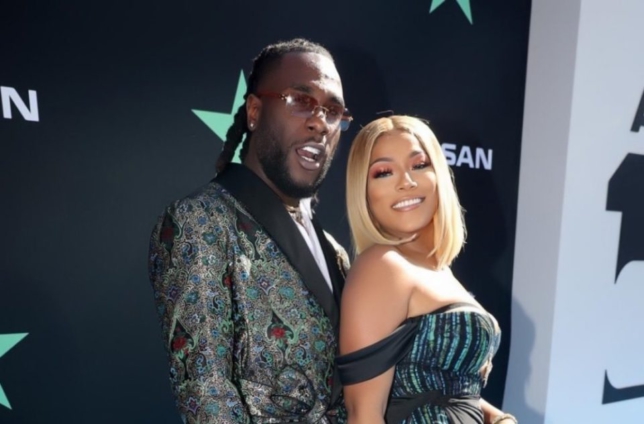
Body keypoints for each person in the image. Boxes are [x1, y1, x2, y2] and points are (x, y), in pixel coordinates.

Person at [148, 38, 353, 423]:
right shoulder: (200, 220)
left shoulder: (336, 253)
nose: (319, 122)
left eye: (333, 110)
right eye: (300, 100)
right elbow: (206, 393)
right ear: (255, 111)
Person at [336, 116, 517, 424]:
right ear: (363, 192)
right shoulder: (382, 266)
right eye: (384, 172)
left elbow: (446, 391)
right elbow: (363, 413)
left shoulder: (441, 271)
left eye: (419, 165)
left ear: (439, 176)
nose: (406, 181)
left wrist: (499, 419)